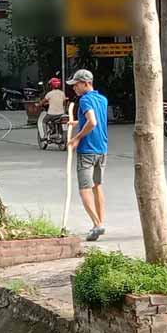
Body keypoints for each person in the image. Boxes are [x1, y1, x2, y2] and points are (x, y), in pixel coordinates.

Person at [67, 69, 109, 241]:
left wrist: (77, 137)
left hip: (87, 149)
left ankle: (97, 224)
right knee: (97, 186)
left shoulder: (84, 100)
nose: (74, 88)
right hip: (102, 149)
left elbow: (92, 121)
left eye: (76, 85)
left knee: (84, 188)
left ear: (86, 83)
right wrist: (76, 122)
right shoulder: (102, 99)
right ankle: (99, 223)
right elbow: (94, 120)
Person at [38, 76, 67, 143]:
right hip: (61, 114)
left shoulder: (49, 94)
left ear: (51, 86)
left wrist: (39, 104)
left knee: (43, 121)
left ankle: (45, 135)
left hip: (51, 114)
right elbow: (64, 103)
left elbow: (43, 102)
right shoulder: (62, 93)